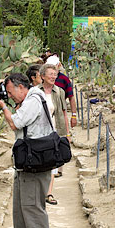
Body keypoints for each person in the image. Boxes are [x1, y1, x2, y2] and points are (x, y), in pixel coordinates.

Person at [0, 73, 54, 228]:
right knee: (20, 208)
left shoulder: (34, 99)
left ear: (21, 87)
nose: (8, 96)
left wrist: (3, 107)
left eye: (10, 92)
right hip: (25, 161)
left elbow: (16, 123)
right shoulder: (28, 100)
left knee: (33, 206)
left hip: (35, 162)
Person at [37, 64, 70, 205]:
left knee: (52, 161)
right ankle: (39, 191)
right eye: (50, 74)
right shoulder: (35, 91)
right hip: (38, 131)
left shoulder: (59, 92)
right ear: (42, 76)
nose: (53, 77)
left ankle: (48, 193)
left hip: (54, 130)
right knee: (40, 160)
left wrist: (66, 133)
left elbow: (63, 112)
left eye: (55, 74)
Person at [45, 55, 77, 130]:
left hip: (60, 113)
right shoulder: (43, 78)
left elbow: (71, 97)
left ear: (58, 65)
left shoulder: (64, 79)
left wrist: (74, 115)